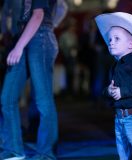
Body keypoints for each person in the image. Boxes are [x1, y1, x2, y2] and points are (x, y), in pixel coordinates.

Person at [0, 0, 59, 159]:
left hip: (40, 36)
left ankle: (46, 153)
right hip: (23, 36)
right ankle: (13, 149)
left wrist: (18, 47)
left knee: (42, 99)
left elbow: (38, 14)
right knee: (7, 97)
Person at [95, 12, 132, 159]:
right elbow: (109, 89)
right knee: (124, 154)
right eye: (110, 39)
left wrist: (123, 91)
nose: (111, 42)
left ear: (131, 44)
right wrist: (108, 91)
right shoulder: (115, 66)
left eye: (116, 39)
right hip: (120, 117)